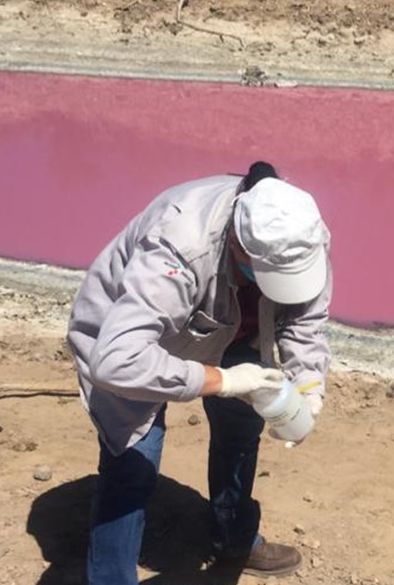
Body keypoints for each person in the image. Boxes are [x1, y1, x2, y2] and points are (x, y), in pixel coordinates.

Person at [67, 161, 333, 584]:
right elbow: (117, 359)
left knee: (241, 436)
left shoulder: (300, 232)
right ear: (238, 245)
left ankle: (235, 538)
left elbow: (304, 319)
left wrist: (309, 383)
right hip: (132, 341)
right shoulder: (178, 244)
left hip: (230, 331)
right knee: (134, 461)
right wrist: (223, 380)